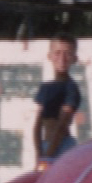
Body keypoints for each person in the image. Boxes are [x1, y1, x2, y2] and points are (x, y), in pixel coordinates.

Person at [33, 33, 80, 167]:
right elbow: (37, 125)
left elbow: (62, 123)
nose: (62, 59)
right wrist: (39, 153)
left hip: (62, 145)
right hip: (45, 146)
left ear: (74, 58)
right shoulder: (46, 87)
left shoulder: (71, 87)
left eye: (67, 54)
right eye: (57, 53)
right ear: (50, 56)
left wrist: (48, 156)